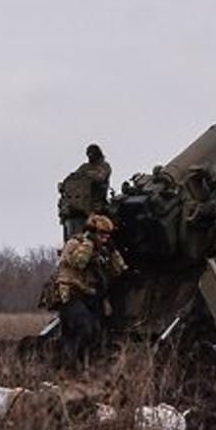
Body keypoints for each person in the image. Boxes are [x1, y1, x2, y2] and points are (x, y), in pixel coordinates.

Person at [50, 213, 128, 368]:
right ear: (92, 232)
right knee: (84, 328)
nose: (105, 238)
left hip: (90, 297)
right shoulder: (75, 243)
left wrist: (113, 252)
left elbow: (119, 270)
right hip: (71, 295)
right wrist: (89, 244)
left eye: (107, 235)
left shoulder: (103, 249)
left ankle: (83, 365)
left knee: (97, 331)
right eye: (101, 234)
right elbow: (79, 262)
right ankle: (67, 364)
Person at [58, 144, 112, 240]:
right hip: (81, 207)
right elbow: (73, 178)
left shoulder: (104, 166)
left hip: (97, 205)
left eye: (93, 153)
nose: (91, 156)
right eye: (89, 153)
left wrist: (87, 175)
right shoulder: (84, 167)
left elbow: (100, 178)